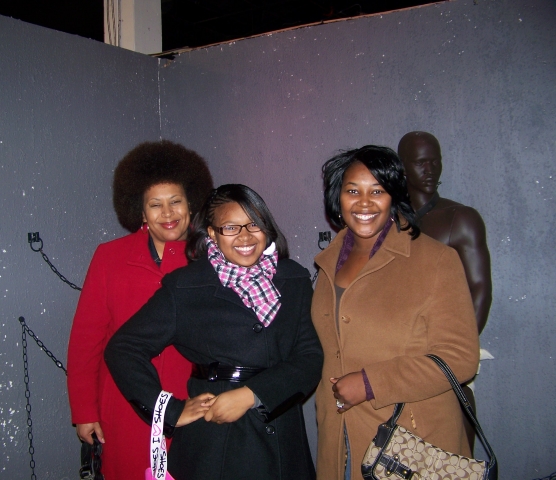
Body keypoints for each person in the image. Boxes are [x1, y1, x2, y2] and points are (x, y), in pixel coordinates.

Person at [105, 184, 324, 480]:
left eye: (255, 225)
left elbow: (309, 357)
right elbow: (124, 348)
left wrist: (252, 394)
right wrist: (170, 411)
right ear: (212, 234)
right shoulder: (185, 287)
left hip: (282, 436)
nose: (245, 236)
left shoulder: (293, 279)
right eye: (230, 227)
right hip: (215, 440)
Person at [312, 146, 480, 480]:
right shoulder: (328, 262)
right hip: (340, 439)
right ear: (337, 197)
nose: (364, 202)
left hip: (409, 448)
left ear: (394, 197)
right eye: (352, 191)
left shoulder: (435, 260)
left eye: (377, 191)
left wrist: (371, 382)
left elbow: (460, 358)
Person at [66, 140, 213, 480]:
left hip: (193, 403)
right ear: (140, 211)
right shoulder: (109, 258)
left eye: (176, 201)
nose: (168, 213)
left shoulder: (212, 258)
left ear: (191, 203)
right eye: (155, 204)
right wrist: (85, 411)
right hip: (125, 404)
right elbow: (86, 341)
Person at [398, 131, 492, 452]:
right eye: (421, 162)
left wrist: (455, 352)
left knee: (453, 453)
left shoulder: (460, 219)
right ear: (403, 167)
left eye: (435, 161)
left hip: (447, 353)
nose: (430, 169)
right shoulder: (386, 222)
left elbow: (480, 288)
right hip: (396, 355)